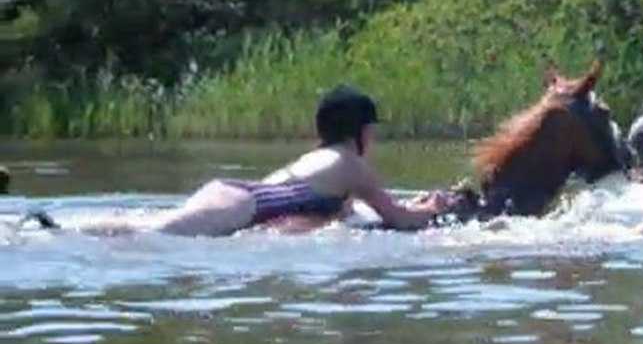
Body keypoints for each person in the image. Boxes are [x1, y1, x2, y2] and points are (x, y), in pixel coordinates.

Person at [30, 85, 454, 236]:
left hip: (236, 195)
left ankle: (62, 229)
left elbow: (353, 214)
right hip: (240, 205)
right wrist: (435, 208)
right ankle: (60, 232)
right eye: (372, 130)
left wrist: (414, 205)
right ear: (360, 131)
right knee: (153, 233)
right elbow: (397, 218)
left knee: (153, 227)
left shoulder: (324, 162)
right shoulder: (350, 164)